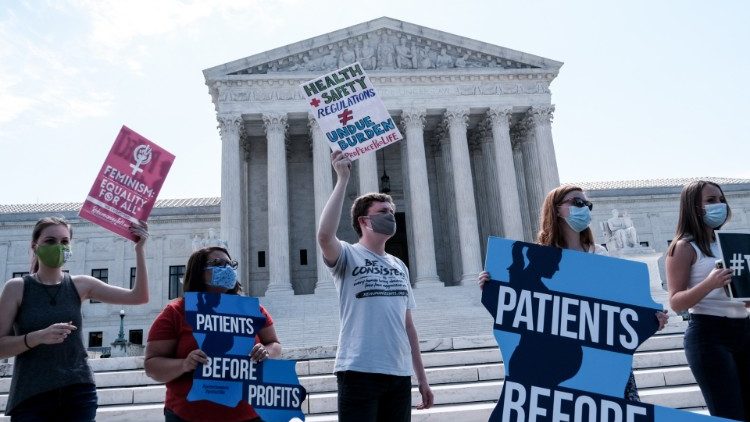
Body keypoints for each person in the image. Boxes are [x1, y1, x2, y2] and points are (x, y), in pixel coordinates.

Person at [479, 185, 668, 400]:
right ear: (557, 209)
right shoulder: (537, 257)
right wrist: (492, 288)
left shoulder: (600, 254)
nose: (585, 208)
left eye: (588, 204)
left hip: (602, 356)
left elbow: (620, 306)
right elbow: (518, 310)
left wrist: (649, 320)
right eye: (577, 203)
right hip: (551, 358)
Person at [317, 150, 434, 421]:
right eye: (383, 212)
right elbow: (324, 236)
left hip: (398, 374)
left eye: (392, 211)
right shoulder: (348, 255)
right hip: (359, 371)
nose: (391, 216)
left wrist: (422, 378)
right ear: (364, 221)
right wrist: (342, 179)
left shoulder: (399, 265)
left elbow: (408, 326)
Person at [0, 216, 150, 421]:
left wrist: (139, 250)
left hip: (78, 391)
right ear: (35, 246)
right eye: (50, 241)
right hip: (31, 395)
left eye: (64, 242)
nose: (58, 246)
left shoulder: (81, 285)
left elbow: (139, 296)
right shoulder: (16, 288)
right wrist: (36, 337)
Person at [144, 246, 281, 422]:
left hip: (250, 414)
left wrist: (266, 351)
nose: (227, 268)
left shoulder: (251, 309)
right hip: (188, 416)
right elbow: (151, 365)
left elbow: (275, 344)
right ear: (198, 271)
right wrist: (185, 364)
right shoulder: (176, 312)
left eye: (231, 264)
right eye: (218, 263)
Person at [666, 180, 750, 420]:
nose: (719, 205)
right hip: (709, 336)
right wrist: (710, 283)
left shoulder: (728, 243)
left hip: (744, 329)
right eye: (711, 200)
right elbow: (676, 302)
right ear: (694, 207)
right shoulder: (683, 247)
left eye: (721, 199)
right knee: (729, 413)